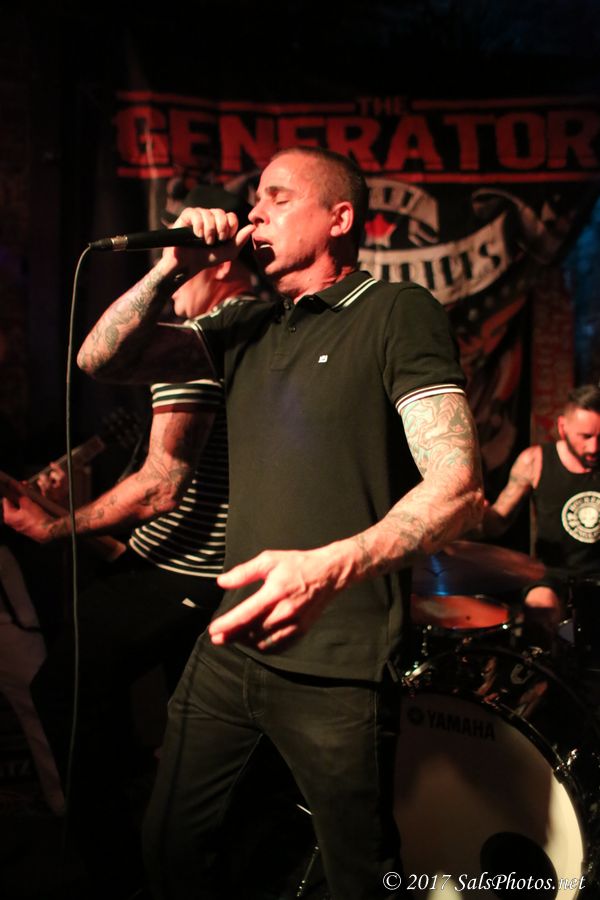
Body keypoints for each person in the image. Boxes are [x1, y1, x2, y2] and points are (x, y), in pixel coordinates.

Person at [77, 146, 484, 900]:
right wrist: (170, 268)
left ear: (340, 218)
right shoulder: (245, 322)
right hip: (230, 646)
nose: (254, 211)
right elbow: (101, 359)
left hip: (340, 664)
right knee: (168, 845)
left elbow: (459, 487)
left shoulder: (396, 311)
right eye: (254, 199)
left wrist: (328, 565)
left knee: (356, 873)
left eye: (277, 197)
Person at [2, 183, 259, 900]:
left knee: (61, 690)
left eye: (175, 243)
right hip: (195, 563)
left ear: (216, 256)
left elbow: (160, 487)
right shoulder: (246, 328)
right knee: (178, 730)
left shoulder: (206, 337)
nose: (162, 262)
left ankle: (117, 874)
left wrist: (54, 527)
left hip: (185, 570)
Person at [481, 383, 600, 641]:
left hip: (596, 575)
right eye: (585, 437)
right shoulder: (535, 461)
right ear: (562, 427)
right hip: (551, 575)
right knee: (540, 608)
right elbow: (497, 523)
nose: (594, 447)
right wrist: (479, 513)